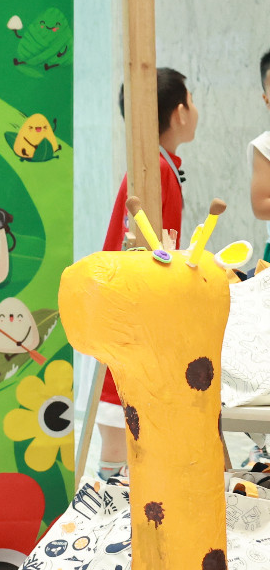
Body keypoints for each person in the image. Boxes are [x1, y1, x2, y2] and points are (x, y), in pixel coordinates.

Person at [95, 67, 197, 483]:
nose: (194, 110)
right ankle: (108, 510)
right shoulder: (153, 170)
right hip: (133, 323)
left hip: (131, 318)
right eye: (191, 101)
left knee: (126, 435)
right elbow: (154, 255)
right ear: (179, 112)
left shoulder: (158, 166)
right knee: (121, 434)